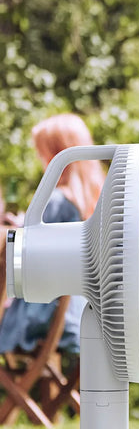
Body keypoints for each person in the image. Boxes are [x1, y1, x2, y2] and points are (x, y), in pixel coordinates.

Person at [0, 113, 105, 356]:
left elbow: (25, 259)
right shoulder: (97, 203)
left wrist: (20, 230)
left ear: (57, 155)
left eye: (42, 153)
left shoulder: (56, 201)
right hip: (82, 319)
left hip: (39, 323)